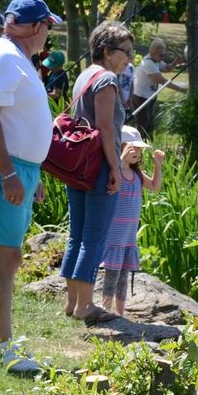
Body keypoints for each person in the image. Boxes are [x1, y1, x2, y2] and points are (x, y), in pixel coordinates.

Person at [0, 0, 61, 374]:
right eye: (48, 27)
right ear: (36, 26)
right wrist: (8, 174)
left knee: (9, 257)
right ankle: (6, 350)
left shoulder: (15, 57)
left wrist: (29, 173)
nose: (48, 35)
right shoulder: (5, 56)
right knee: (5, 260)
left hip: (16, 169)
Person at [61, 21, 135, 325]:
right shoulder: (106, 79)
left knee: (76, 235)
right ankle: (85, 306)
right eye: (126, 52)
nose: (130, 58)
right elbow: (105, 127)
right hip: (98, 167)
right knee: (95, 237)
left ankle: (71, 302)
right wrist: (115, 168)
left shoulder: (84, 76)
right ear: (106, 50)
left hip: (77, 167)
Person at [99, 125, 164, 316]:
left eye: (139, 149)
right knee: (111, 275)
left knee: (124, 275)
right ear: (120, 147)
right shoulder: (114, 172)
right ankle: (105, 308)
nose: (136, 152)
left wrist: (158, 166)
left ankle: (119, 313)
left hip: (128, 236)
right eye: (131, 147)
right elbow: (109, 182)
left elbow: (154, 186)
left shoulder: (136, 174)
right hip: (114, 235)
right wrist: (118, 159)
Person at [131, 38, 186, 139]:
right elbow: (162, 81)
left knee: (150, 123)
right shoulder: (148, 63)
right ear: (153, 53)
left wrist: (175, 61)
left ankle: (147, 144)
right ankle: (137, 145)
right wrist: (181, 89)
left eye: (163, 55)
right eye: (161, 55)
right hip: (141, 97)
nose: (162, 57)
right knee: (143, 124)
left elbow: (167, 68)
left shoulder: (156, 61)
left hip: (150, 96)